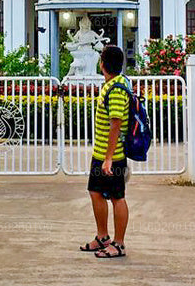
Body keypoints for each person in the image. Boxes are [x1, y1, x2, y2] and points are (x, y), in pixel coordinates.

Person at [80, 45, 129, 258]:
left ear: (102, 64)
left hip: (113, 157)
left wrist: (109, 159)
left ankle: (118, 244)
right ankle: (103, 237)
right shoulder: (112, 84)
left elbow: (116, 124)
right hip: (101, 154)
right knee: (95, 192)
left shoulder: (117, 89)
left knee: (117, 197)